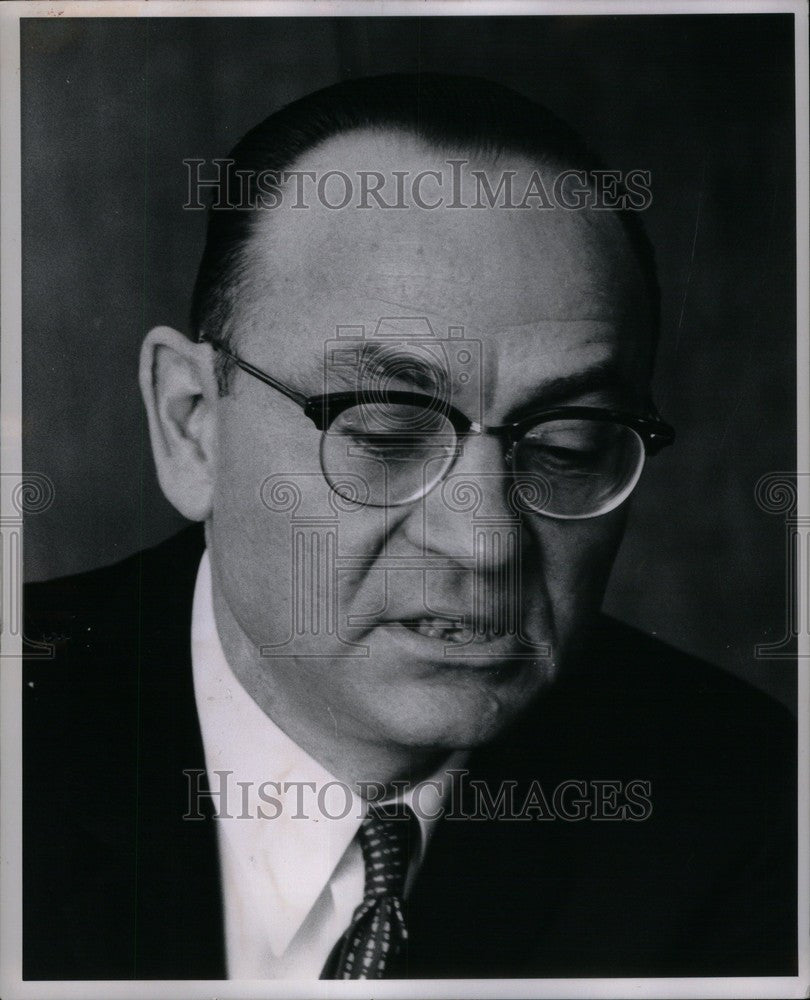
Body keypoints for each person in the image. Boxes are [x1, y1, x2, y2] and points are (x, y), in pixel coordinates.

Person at [23, 74, 796, 981]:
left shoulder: (745, 806)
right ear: (192, 422)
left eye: (571, 444)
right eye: (389, 431)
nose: (487, 545)